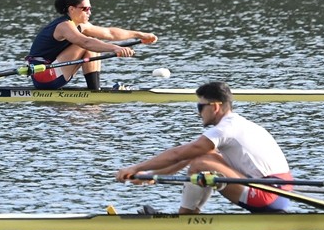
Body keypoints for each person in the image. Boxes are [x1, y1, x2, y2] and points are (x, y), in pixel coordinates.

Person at [115, 81, 293, 214]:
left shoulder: (226, 129)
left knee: (200, 165)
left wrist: (135, 168)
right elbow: (187, 156)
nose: (198, 112)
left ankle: (186, 217)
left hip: (268, 195)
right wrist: (151, 176)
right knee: (202, 158)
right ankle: (190, 216)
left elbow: (177, 154)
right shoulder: (237, 124)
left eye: (200, 106)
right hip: (280, 193)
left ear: (215, 107)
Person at [28, 0, 156, 90]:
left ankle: (95, 90)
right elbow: (86, 42)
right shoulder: (64, 26)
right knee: (89, 41)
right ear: (71, 9)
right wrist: (115, 48)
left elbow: (110, 33)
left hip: (54, 73)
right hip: (43, 76)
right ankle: (95, 92)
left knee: (92, 40)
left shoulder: (80, 26)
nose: (89, 12)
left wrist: (141, 35)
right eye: (85, 9)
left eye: (90, 8)